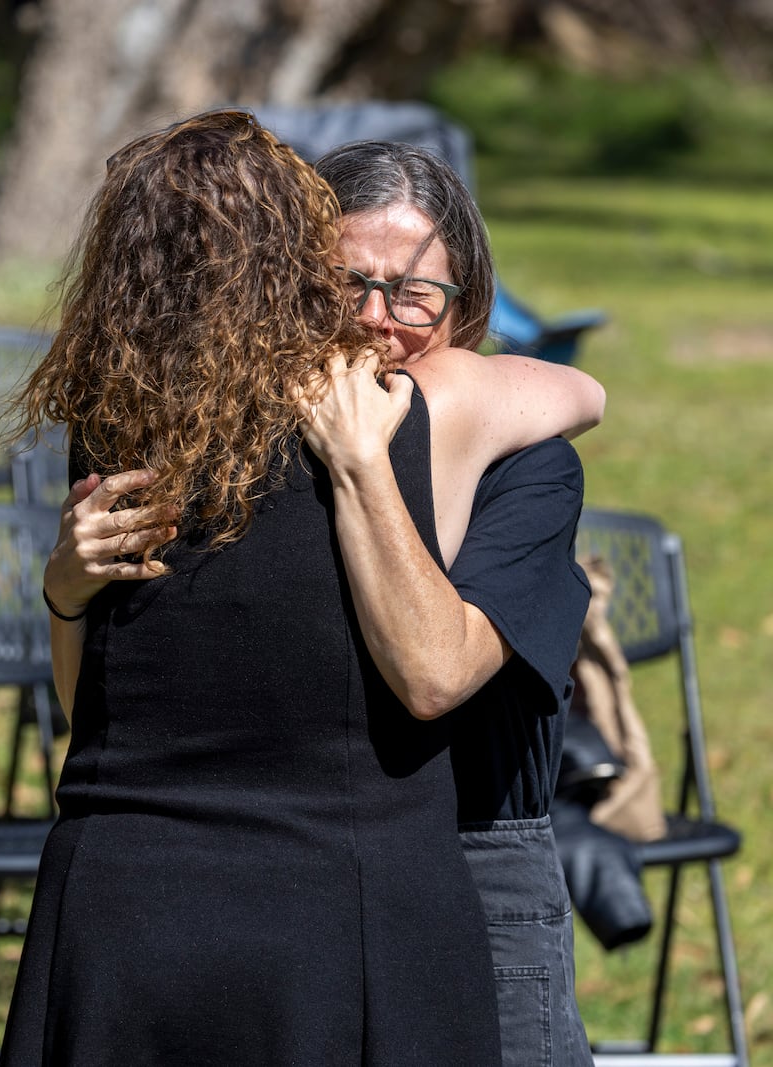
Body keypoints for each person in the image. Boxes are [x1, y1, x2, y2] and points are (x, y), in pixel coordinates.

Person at [43, 137, 601, 1067]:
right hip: (299, 873)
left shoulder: (525, 464)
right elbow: (100, 718)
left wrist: (363, 464)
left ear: (470, 303)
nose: (382, 320)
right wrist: (66, 586)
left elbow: (436, 674)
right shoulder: (209, 446)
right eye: (348, 284)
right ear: (291, 282)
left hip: (478, 857)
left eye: (417, 291)